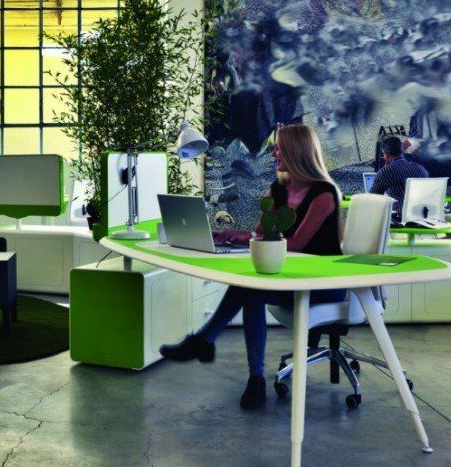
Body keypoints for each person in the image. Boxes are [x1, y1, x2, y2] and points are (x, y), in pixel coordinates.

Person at [158, 124, 346, 410]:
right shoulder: (279, 189)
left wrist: (253, 238)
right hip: (288, 278)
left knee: (250, 290)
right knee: (250, 289)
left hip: (322, 285)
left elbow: (295, 245)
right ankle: (251, 375)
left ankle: (206, 343)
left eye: (279, 148)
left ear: (297, 152)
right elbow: (262, 231)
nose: (273, 153)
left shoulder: (324, 193)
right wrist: (234, 236)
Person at [370, 136, 429, 219]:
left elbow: (372, 199)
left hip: (398, 218)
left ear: (386, 154)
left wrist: (385, 167)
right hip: (422, 217)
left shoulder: (385, 172)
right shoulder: (421, 169)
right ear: (402, 151)